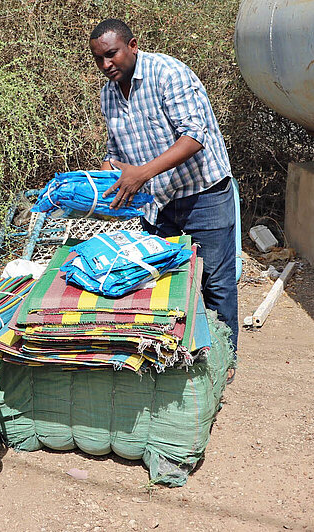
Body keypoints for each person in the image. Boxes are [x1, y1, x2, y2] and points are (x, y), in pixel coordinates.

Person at [89, 19, 238, 382]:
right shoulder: (109, 93)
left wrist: (141, 173)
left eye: (112, 55)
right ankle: (179, 355)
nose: (107, 65)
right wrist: (98, 181)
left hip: (203, 193)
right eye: (99, 60)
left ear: (133, 45)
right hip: (157, 202)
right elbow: (115, 151)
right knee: (165, 281)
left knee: (214, 282)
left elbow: (194, 136)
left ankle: (223, 360)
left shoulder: (168, 73)